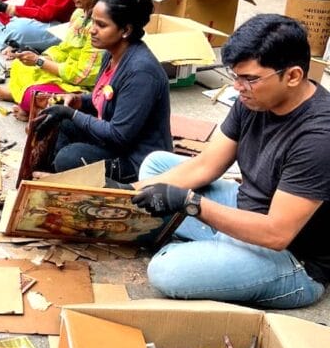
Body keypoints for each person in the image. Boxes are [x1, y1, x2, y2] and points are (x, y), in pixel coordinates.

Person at [134, 15, 330, 309]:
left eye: (249, 79)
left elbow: (277, 233)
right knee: (156, 166)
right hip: (245, 208)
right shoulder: (253, 98)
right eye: (235, 76)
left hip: (291, 257)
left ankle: (209, 249)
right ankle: (216, 248)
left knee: (166, 270)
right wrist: (123, 192)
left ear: (292, 76)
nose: (238, 87)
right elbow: (205, 167)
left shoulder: (319, 137)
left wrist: (191, 204)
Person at [32, 0, 171, 181]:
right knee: (60, 120)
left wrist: (73, 113)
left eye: (101, 25)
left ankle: (60, 176)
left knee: (69, 157)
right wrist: (79, 102)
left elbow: (119, 134)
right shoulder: (111, 54)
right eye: (92, 22)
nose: (91, 30)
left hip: (136, 162)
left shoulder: (141, 72)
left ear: (126, 30)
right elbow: (106, 96)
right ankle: (56, 176)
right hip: (115, 145)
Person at [0, 0, 115, 118]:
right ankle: (26, 101)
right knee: (19, 66)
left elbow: (82, 75)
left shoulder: (100, 29)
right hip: (65, 72)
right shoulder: (79, 14)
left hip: (82, 87)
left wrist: (40, 62)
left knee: (35, 94)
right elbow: (63, 48)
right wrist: (42, 58)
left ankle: (25, 102)